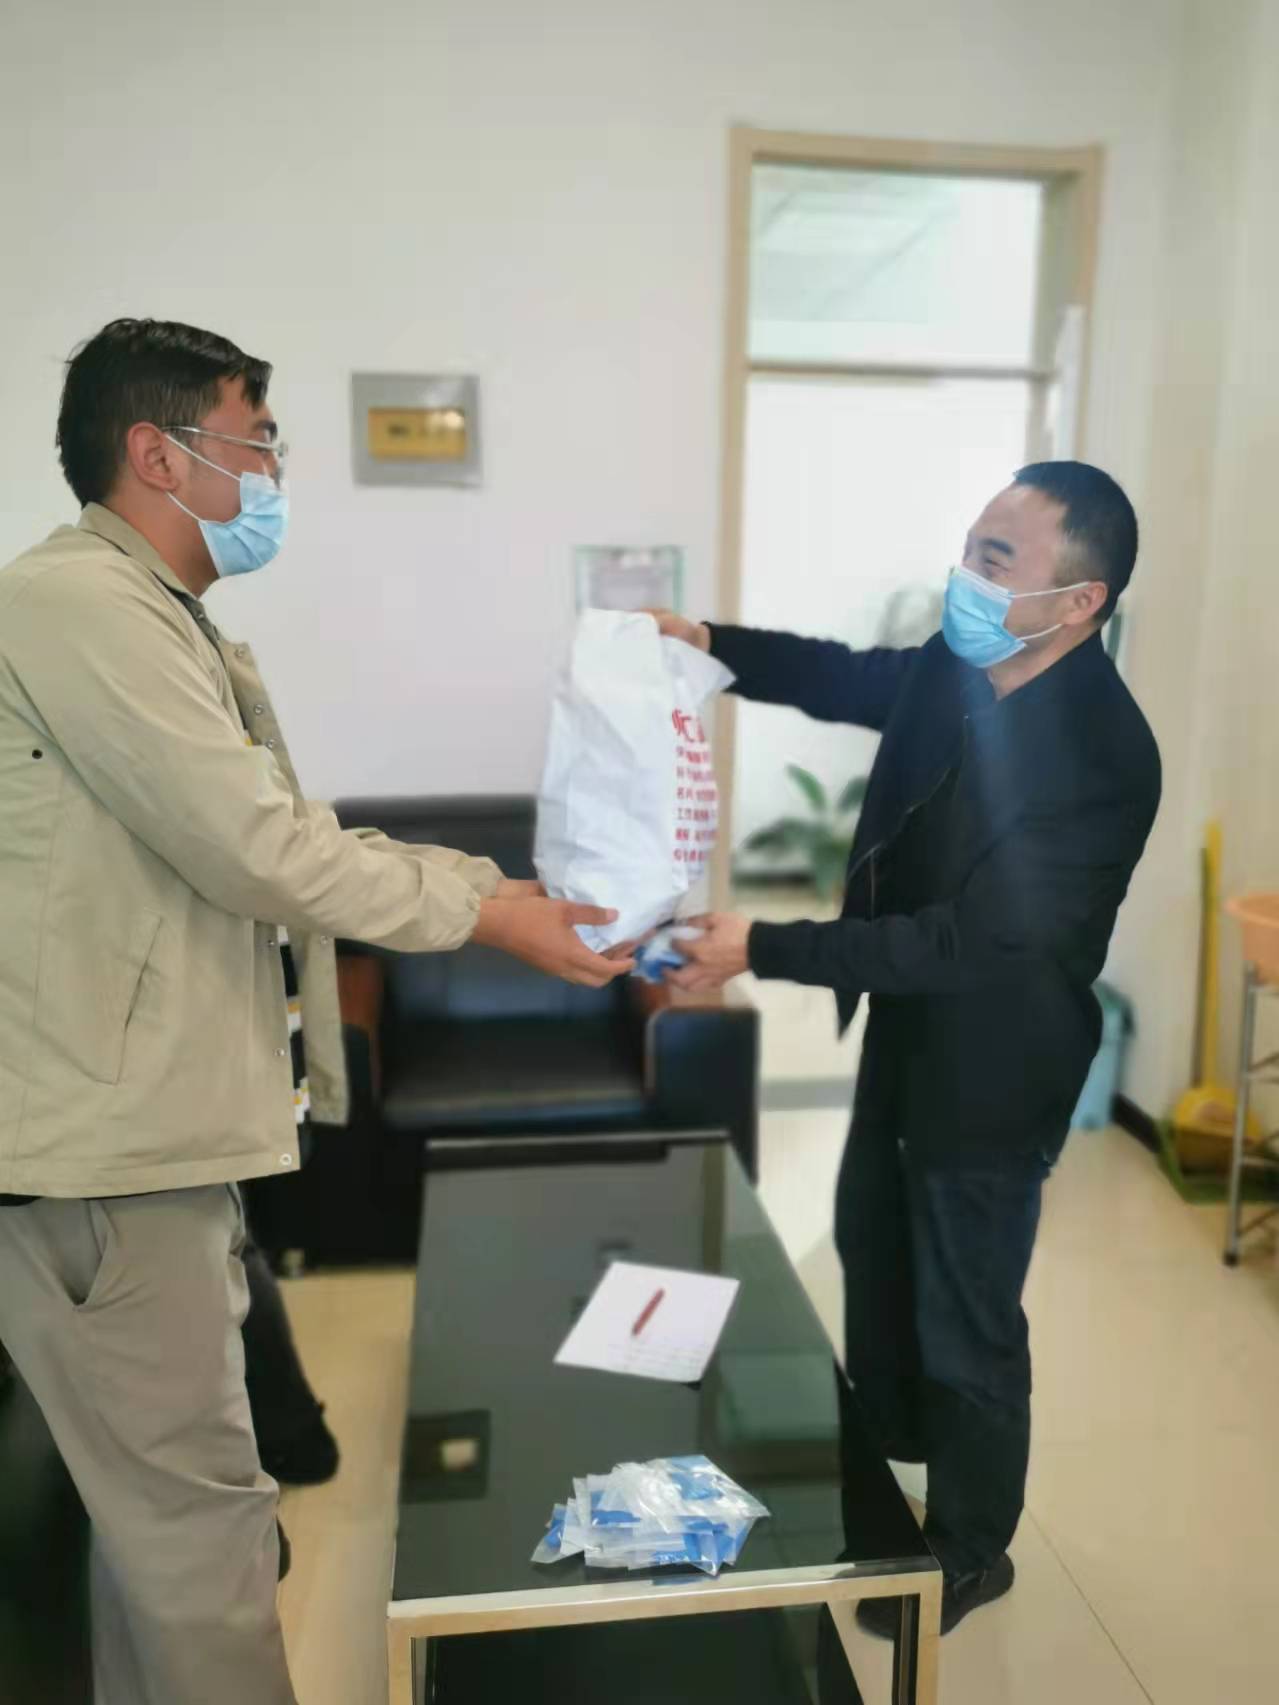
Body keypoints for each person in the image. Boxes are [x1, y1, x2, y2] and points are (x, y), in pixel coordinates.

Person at [0, 317, 633, 1705]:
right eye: (259, 442)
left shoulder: (153, 616)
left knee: (167, 1532)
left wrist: (486, 885)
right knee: (204, 1534)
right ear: (158, 453)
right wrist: (493, 914)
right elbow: (262, 851)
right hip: (103, 1161)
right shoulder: (79, 607)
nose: (275, 472)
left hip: (143, 1138)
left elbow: (278, 829)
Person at [651, 461, 1160, 1636]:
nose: (961, 577)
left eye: (995, 560)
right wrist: (710, 641)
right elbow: (848, 676)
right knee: (873, 1243)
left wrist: (761, 945)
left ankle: (972, 1547)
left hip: (997, 1067)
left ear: (1078, 601)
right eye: (968, 546)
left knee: (965, 1308)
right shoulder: (962, 665)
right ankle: (890, 1448)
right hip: (907, 1027)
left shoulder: (1100, 753)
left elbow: (970, 943)